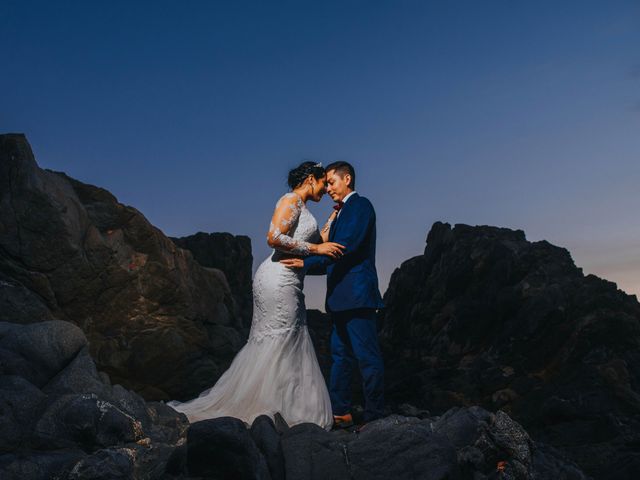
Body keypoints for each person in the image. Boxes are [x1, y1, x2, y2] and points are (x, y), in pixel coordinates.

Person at [168, 162, 345, 429]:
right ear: (311, 179)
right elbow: (274, 237)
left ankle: (284, 407)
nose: (325, 188)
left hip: (291, 280)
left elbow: (311, 240)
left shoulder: (304, 208)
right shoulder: (291, 200)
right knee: (280, 337)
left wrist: (331, 223)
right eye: (323, 183)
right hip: (277, 278)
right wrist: (318, 251)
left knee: (288, 338)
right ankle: (270, 410)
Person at [281, 161, 385, 428]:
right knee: (340, 358)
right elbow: (330, 254)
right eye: (325, 183)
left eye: (331, 182)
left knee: (367, 358)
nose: (327, 188)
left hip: (358, 295)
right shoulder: (338, 213)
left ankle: (375, 415)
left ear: (347, 179)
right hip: (339, 298)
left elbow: (343, 248)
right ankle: (341, 412)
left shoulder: (361, 206)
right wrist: (304, 267)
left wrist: (306, 263)